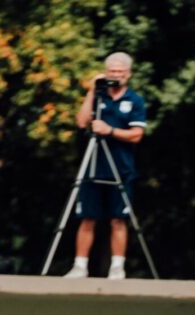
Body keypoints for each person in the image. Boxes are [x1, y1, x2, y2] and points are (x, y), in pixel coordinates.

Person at [64, 52, 147, 280]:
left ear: (128, 74)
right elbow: (81, 121)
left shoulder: (135, 100)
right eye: (112, 72)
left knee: (118, 219)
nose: (116, 76)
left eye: (120, 72)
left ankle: (117, 267)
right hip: (93, 165)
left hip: (121, 167)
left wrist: (110, 130)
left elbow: (137, 135)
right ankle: (80, 266)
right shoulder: (98, 98)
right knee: (87, 217)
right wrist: (91, 91)